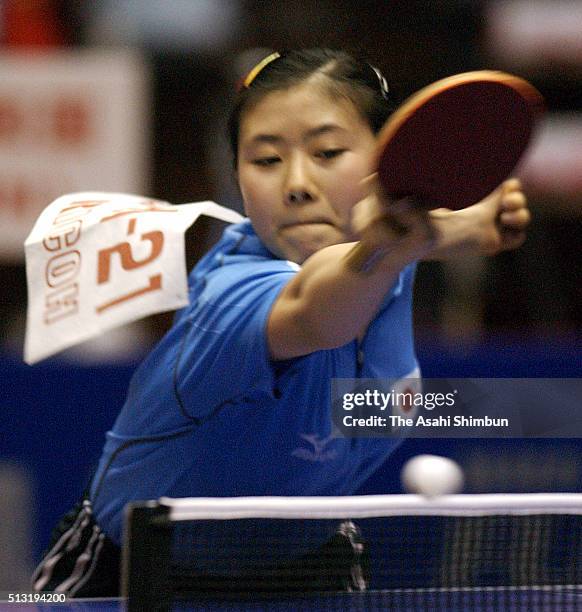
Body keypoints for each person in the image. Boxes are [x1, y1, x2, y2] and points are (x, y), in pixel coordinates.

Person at [32, 48, 530, 597]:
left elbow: (365, 410)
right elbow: (316, 310)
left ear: (382, 161)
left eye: (328, 152)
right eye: (266, 160)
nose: (296, 183)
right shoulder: (232, 298)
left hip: (307, 561)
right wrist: (405, 243)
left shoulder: (391, 256)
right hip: (141, 572)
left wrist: (545, 410)